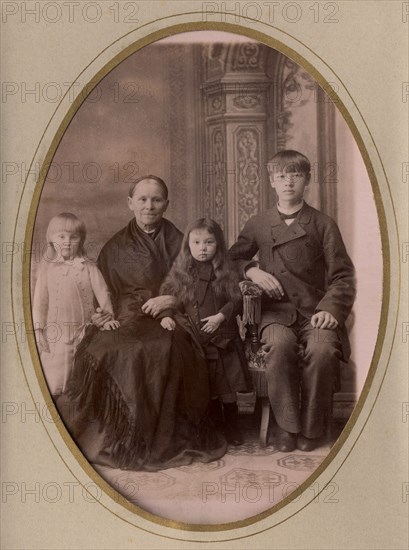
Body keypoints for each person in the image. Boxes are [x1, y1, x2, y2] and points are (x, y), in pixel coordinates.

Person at [65, 176, 226, 471]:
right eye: (142, 199)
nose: (148, 206)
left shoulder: (182, 241)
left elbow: (203, 284)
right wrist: (102, 314)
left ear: (166, 204)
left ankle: (154, 439)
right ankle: (116, 437)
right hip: (125, 315)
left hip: (172, 318)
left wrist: (172, 301)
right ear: (130, 203)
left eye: (156, 200)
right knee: (105, 349)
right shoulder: (114, 247)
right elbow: (101, 293)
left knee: (161, 348)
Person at [229, 150, 355, 452]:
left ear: (307, 180)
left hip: (315, 312)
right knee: (280, 347)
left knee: (324, 350)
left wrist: (330, 310)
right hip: (275, 313)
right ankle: (286, 426)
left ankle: (313, 428)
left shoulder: (323, 224)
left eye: (295, 175)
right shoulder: (259, 222)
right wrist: (252, 270)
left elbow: (343, 276)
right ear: (272, 181)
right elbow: (231, 258)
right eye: (282, 176)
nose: (288, 183)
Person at [159, 218, 251, 446]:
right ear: (188, 244)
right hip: (196, 339)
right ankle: (211, 424)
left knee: (227, 386)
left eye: (209, 242)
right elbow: (168, 298)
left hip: (223, 337)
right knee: (206, 384)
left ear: (218, 245)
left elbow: (237, 300)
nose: (202, 248)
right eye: (197, 242)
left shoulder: (226, 271)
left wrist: (221, 316)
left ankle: (231, 423)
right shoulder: (180, 272)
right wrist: (166, 316)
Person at [32, 212, 119, 398]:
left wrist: (107, 317)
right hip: (56, 331)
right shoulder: (47, 270)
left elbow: (103, 293)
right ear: (51, 239)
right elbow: (40, 303)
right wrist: (39, 330)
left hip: (85, 329)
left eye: (74, 237)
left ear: (81, 240)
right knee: (54, 379)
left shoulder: (88, 267)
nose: (67, 242)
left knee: (81, 374)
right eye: (61, 236)